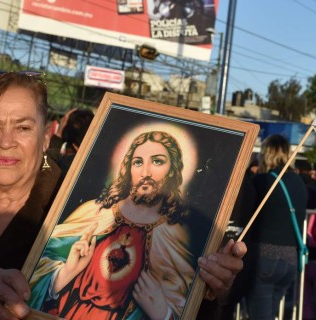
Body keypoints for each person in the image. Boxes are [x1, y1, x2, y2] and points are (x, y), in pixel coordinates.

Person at [0, 71, 246, 319]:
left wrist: (206, 291)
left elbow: (145, 298)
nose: (6, 141)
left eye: (22, 127)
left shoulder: (74, 204)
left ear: (46, 137)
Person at [30, 130, 197, 319]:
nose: (145, 172)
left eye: (157, 161)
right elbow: (36, 269)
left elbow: (186, 300)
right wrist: (65, 273)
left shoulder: (174, 234)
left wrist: (162, 312)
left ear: (173, 170)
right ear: (128, 168)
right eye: (138, 162)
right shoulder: (93, 212)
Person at [244, 134, 308, 320]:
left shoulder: (263, 181)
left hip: (264, 257)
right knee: (269, 314)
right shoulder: (299, 182)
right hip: (290, 260)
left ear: (266, 153)